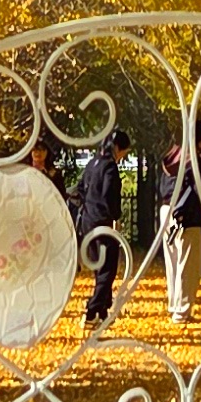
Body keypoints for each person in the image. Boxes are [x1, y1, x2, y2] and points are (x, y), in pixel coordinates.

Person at [74, 133, 127, 331]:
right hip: (102, 222)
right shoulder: (110, 167)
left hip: (88, 220)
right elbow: (110, 194)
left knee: (99, 267)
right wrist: (115, 216)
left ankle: (103, 310)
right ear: (118, 148)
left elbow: (80, 188)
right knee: (107, 268)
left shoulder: (92, 163)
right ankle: (92, 309)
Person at [160, 130, 201, 321]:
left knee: (172, 262)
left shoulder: (172, 156)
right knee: (188, 264)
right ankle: (182, 311)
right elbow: (198, 188)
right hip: (187, 213)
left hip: (167, 209)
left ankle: (175, 305)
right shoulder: (194, 161)